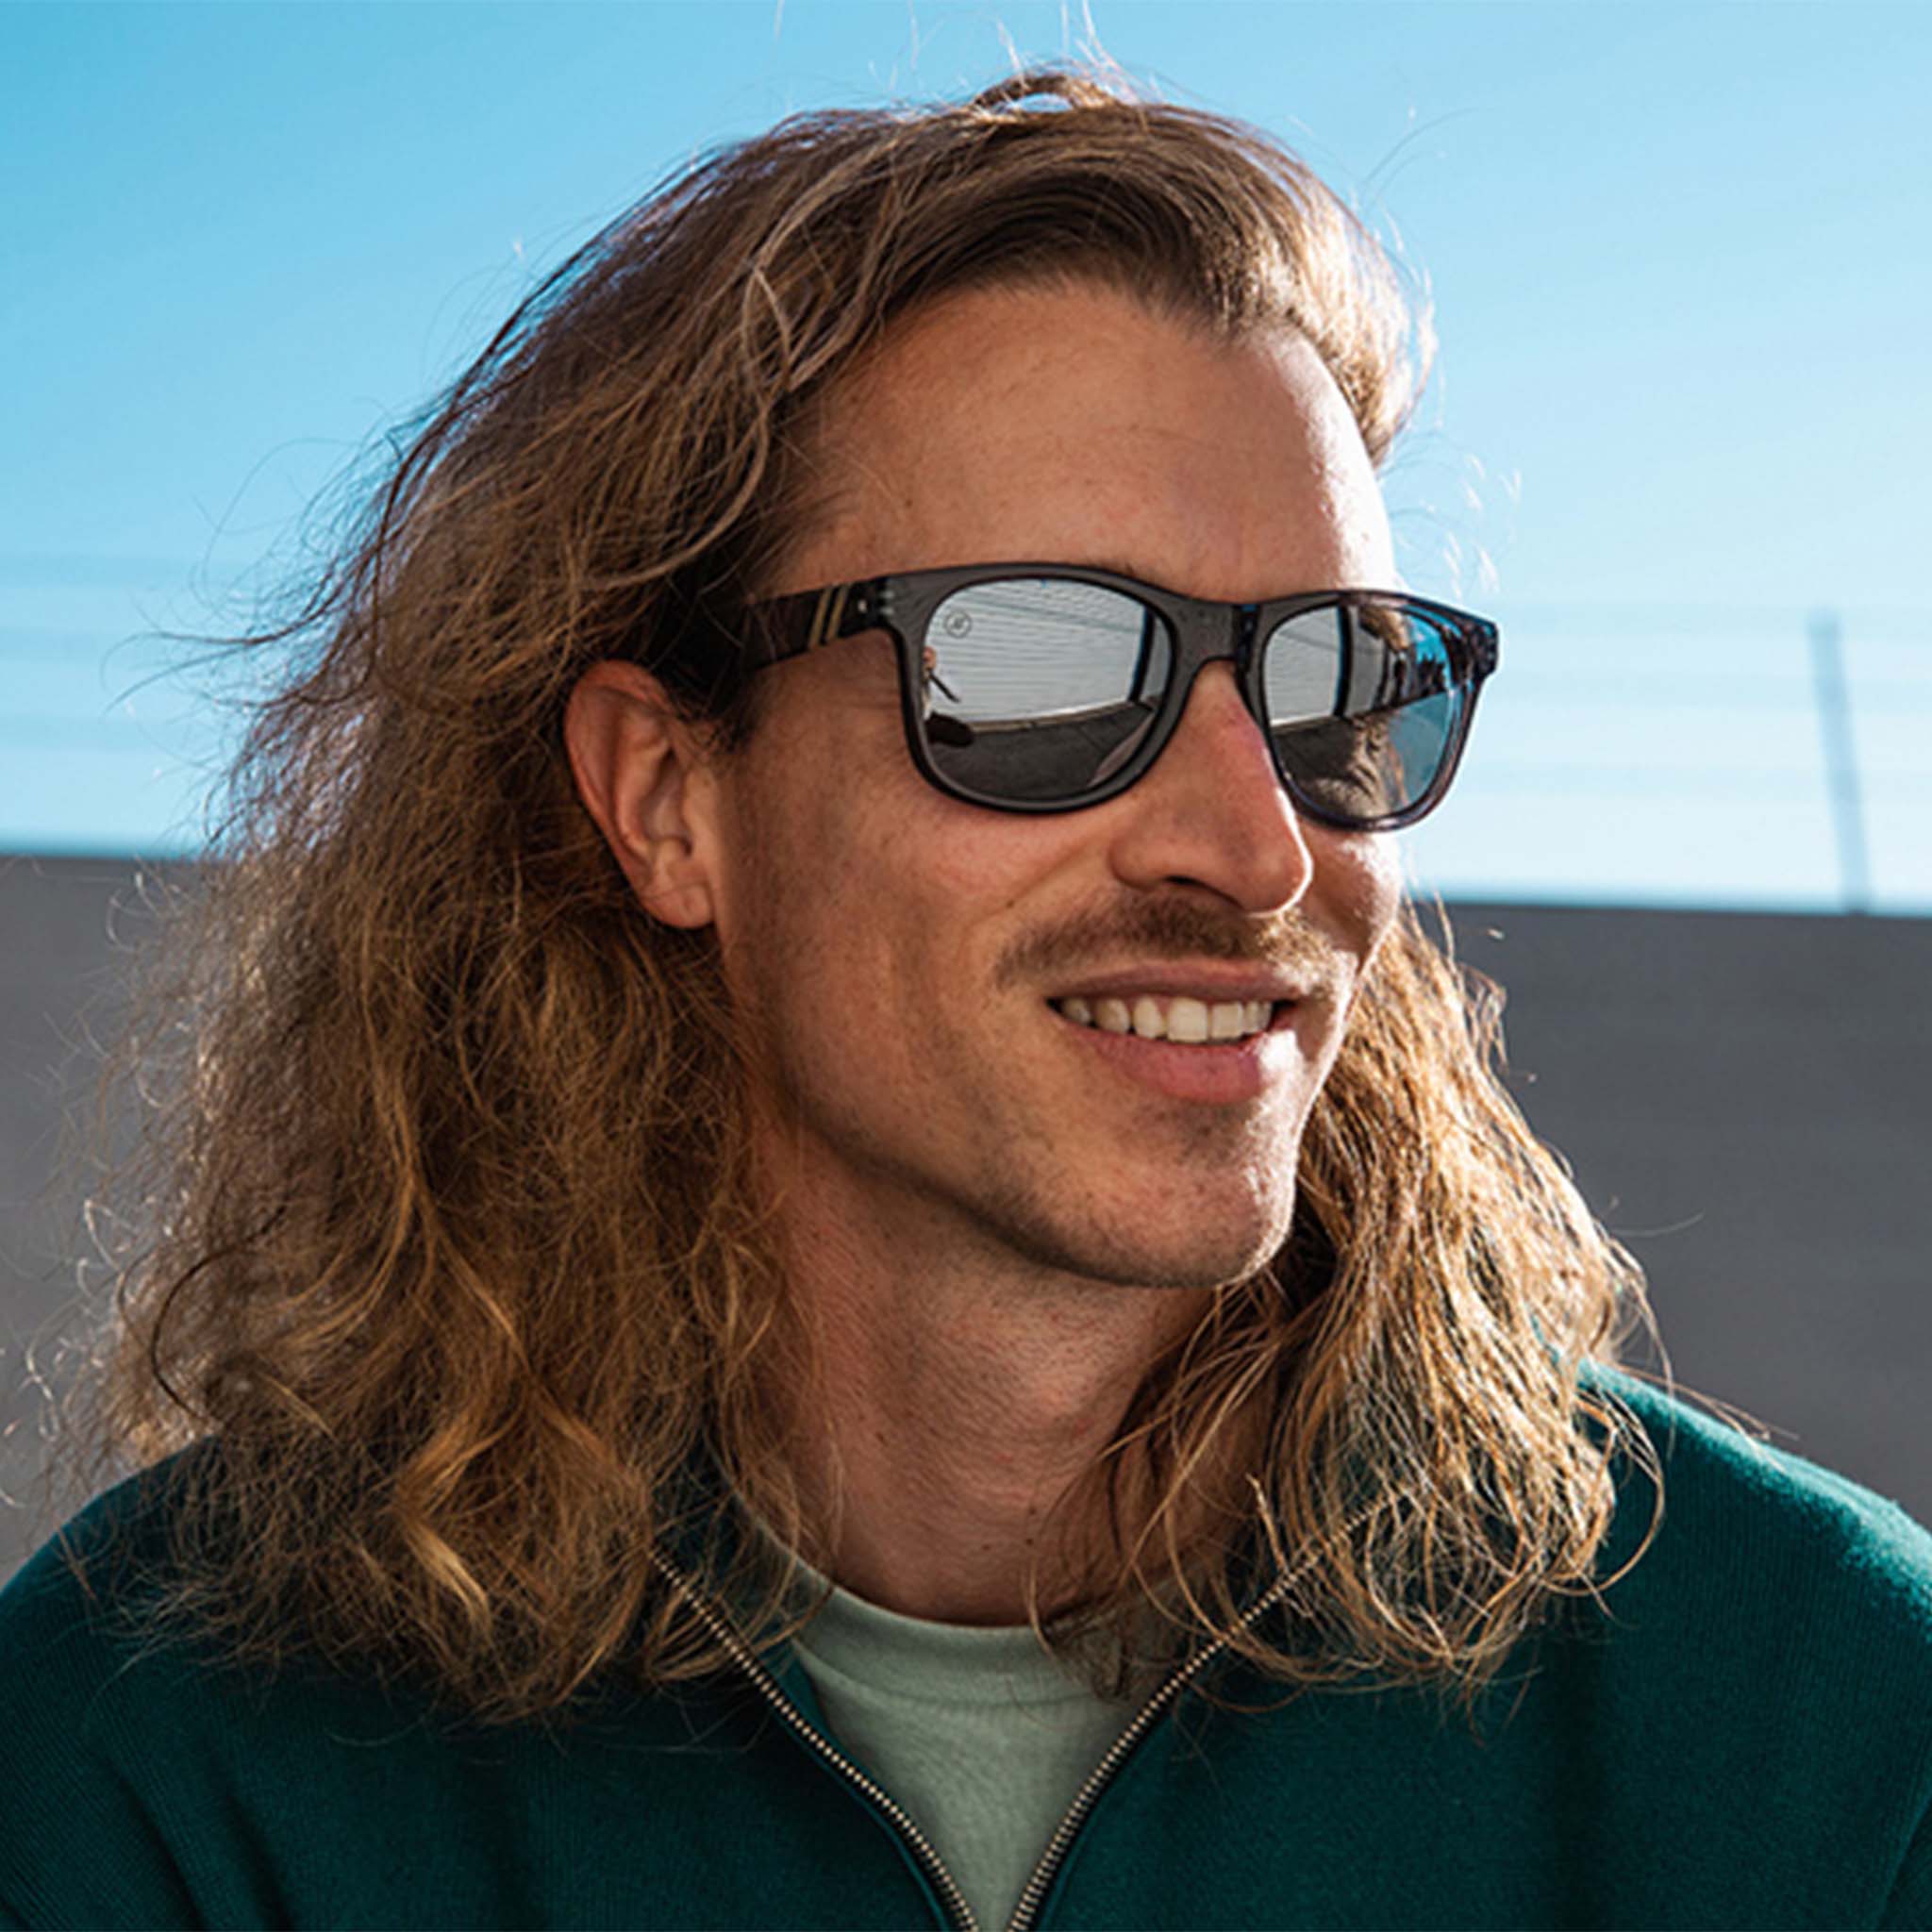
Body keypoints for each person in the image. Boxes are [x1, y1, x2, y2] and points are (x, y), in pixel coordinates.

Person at [2, 69, 1927, 1932]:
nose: (1258, 849)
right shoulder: (154, 1764)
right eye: (1041, 669)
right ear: (666, 798)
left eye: (1336, 679)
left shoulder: (1823, 1723)